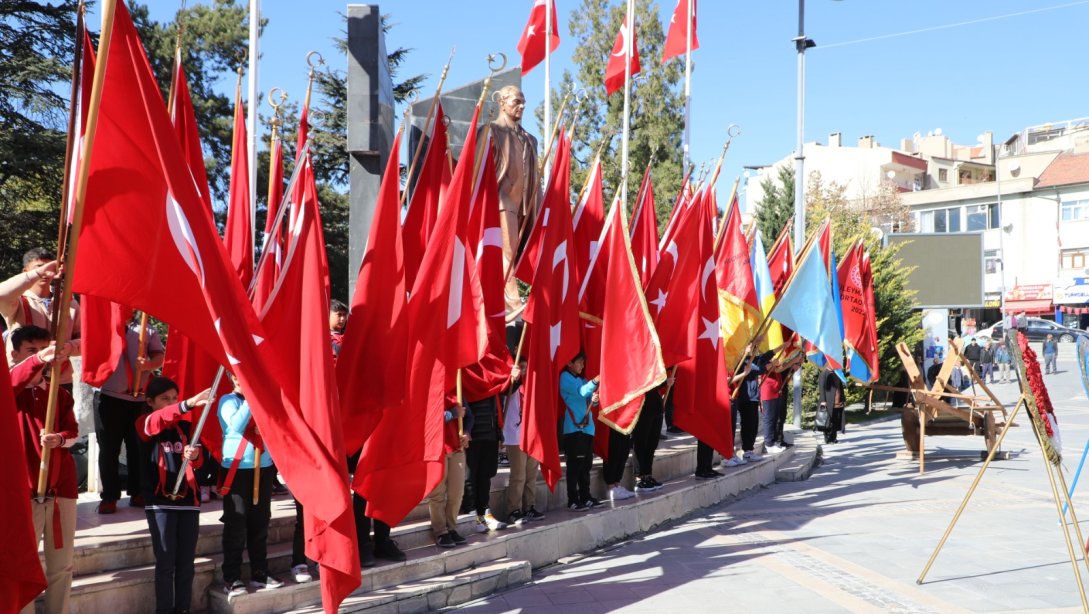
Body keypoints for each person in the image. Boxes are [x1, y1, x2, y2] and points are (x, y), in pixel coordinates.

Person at [11, 326, 77, 614]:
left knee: (61, 566)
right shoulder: (8, 390)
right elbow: (12, 381)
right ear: (15, 354)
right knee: (22, 564)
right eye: (31, 351)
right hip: (22, 493)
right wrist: (39, 361)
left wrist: (59, 439)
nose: (40, 357)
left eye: (44, 350)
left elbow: (73, 432)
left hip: (60, 490)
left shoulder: (58, 395)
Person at [135, 377, 211, 614]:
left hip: (189, 503)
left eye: (173, 398)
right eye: (164, 399)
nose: (170, 403)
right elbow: (157, 420)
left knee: (186, 565)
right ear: (150, 402)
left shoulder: (187, 429)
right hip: (160, 504)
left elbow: (203, 466)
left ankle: (183, 609)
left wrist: (196, 456)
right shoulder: (145, 423)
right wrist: (186, 404)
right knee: (166, 563)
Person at [95, 311, 165, 514]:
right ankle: (109, 496)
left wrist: (148, 365)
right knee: (109, 449)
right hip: (108, 396)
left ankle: (138, 492)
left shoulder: (146, 328)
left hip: (138, 399)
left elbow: (158, 356)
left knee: (137, 447)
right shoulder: (103, 325)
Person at [218, 374, 281, 594]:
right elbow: (236, 425)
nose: (241, 380)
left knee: (260, 522)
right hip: (237, 469)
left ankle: (259, 573)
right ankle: (231, 577)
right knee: (236, 523)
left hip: (262, 467)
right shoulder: (227, 400)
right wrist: (251, 398)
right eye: (237, 376)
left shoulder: (262, 399)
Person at [483, 85, 540, 316]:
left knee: (519, 254)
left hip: (524, 205)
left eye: (523, 102)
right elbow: (477, 174)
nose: (522, 106)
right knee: (506, 252)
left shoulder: (530, 139)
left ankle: (520, 301)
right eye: (516, 101)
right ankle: (513, 303)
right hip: (500, 201)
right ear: (501, 102)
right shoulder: (491, 132)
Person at [1, 250, 81, 380]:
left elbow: (86, 340)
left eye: (50, 267)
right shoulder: (17, 301)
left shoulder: (68, 301)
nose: (46, 272)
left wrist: (69, 347)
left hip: (59, 380)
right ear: (26, 272)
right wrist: (37, 274)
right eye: (40, 267)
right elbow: (1, 295)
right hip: (24, 379)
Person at [502, 358, 545, 525]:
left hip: (531, 435)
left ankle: (530, 506)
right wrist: (513, 378)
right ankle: (514, 509)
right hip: (515, 436)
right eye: (521, 367)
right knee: (518, 475)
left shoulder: (531, 386)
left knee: (531, 474)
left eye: (526, 367)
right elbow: (505, 392)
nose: (524, 370)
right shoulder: (510, 385)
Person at [560, 352, 600, 511]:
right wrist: (595, 381)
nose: (582, 365)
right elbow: (582, 392)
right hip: (574, 429)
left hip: (587, 428)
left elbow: (590, 400)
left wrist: (595, 401)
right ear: (569, 363)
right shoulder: (565, 377)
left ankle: (585, 495)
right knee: (574, 467)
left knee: (586, 466)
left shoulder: (582, 379)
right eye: (580, 362)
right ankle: (573, 499)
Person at [428, 401, 470, 548]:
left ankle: (451, 527)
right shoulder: (431, 388)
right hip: (436, 448)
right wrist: (451, 414)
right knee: (437, 493)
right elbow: (427, 419)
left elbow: (469, 416)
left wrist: (467, 433)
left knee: (457, 492)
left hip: (456, 448)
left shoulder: (456, 389)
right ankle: (440, 531)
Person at [465, 394, 508, 533]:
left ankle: (484, 511)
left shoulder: (493, 375)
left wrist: (517, 378)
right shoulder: (466, 373)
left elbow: (504, 389)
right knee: (470, 476)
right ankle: (471, 513)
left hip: (491, 431)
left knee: (486, 474)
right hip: (473, 432)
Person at [727, 346, 770, 464]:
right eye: (751, 345)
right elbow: (759, 369)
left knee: (753, 424)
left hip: (752, 396)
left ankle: (748, 450)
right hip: (744, 397)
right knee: (747, 424)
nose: (753, 348)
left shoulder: (751, 358)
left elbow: (762, 358)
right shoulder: (743, 360)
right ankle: (741, 451)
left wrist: (774, 352)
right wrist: (767, 366)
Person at [760, 351, 804, 453]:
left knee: (776, 417)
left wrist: (795, 363)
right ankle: (769, 443)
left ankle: (775, 441)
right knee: (770, 418)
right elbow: (778, 369)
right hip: (769, 390)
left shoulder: (777, 359)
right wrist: (793, 361)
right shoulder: (765, 359)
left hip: (777, 389)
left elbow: (782, 370)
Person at [631, 381, 669, 492]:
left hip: (656, 406)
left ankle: (647, 474)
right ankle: (639, 477)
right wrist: (665, 382)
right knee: (640, 442)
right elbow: (646, 381)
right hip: (642, 406)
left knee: (652, 443)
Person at [818, 367, 845, 444]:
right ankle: (828, 438)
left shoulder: (838, 372)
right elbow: (821, 388)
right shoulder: (824, 373)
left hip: (838, 400)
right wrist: (823, 400)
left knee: (836, 419)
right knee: (828, 420)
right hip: (829, 401)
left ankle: (834, 437)